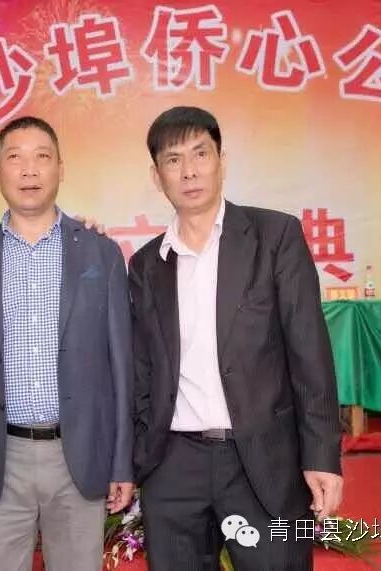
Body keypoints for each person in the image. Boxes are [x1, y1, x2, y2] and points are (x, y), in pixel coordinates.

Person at [129, 106, 343, 570]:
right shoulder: (146, 265)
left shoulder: (275, 236)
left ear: (221, 160)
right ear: (156, 175)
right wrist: (141, 456)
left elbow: (309, 353)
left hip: (261, 461)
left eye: (200, 154)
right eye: (173, 160)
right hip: (173, 465)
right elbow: (142, 369)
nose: (189, 171)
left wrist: (322, 455)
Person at [0, 116, 134, 571]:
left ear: (60, 169)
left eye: (42, 157)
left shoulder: (100, 253)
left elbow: (121, 367)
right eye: (15, 158)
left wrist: (122, 461)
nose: (29, 170)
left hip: (79, 454)